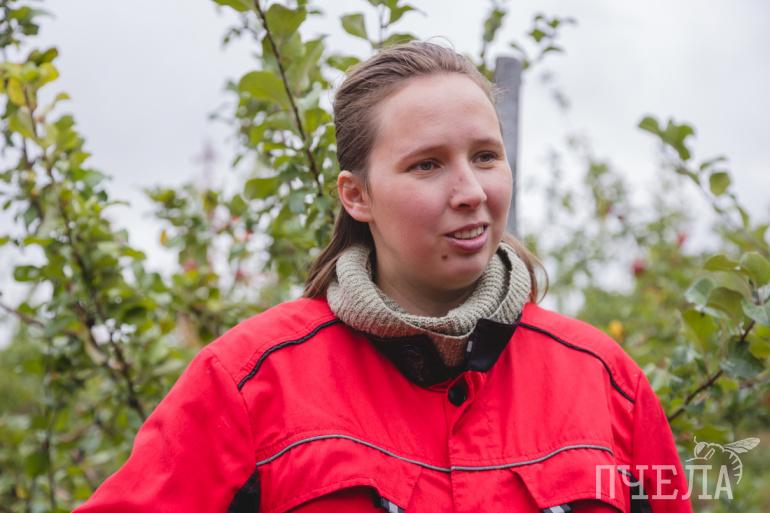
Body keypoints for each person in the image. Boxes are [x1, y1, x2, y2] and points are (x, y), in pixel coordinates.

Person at [73, 41, 692, 513]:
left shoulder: (607, 383)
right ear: (357, 195)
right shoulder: (251, 381)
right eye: (427, 165)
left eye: (485, 156)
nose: (471, 191)